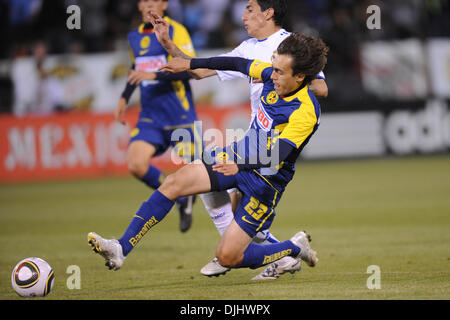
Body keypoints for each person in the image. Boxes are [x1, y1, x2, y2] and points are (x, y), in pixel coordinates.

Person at [87, 14, 328, 276]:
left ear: (301, 76)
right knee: (174, 183)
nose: (273, 76)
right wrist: (189, 63)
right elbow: (235, 62)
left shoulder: (305, 111)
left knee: (229, 256)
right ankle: (121, 247)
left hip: (266, 182)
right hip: (240, 154)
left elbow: (278, 153)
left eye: (281, 72)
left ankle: (292, 247)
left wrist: (239, 164)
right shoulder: (270, 74)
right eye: (274, 68)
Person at [190, 0, 328, 280]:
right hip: (254, 137)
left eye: (249, 9)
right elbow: (200, 71)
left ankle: (258, 253)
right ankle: (281, 254)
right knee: (225, 197)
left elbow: (321, 87)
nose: (243, 16)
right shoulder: (248, 48)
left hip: (275, 142)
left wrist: (284, 80)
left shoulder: (292, 46)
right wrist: (171, 50)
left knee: (233, 202)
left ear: (268, 12)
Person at [115, 0, 199, 233]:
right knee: (136, 163)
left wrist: (152, 75)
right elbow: (136, 68)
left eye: (154, 0)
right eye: (144, 0)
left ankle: (240, 239)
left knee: (203, 180)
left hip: (179, 114)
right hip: (150, 115)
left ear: (164, 4)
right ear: (139, 5)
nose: (148, 4)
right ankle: (181, 200)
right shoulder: (134, 37)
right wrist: (124, 97)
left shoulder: (176, 30)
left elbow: (190, 69)